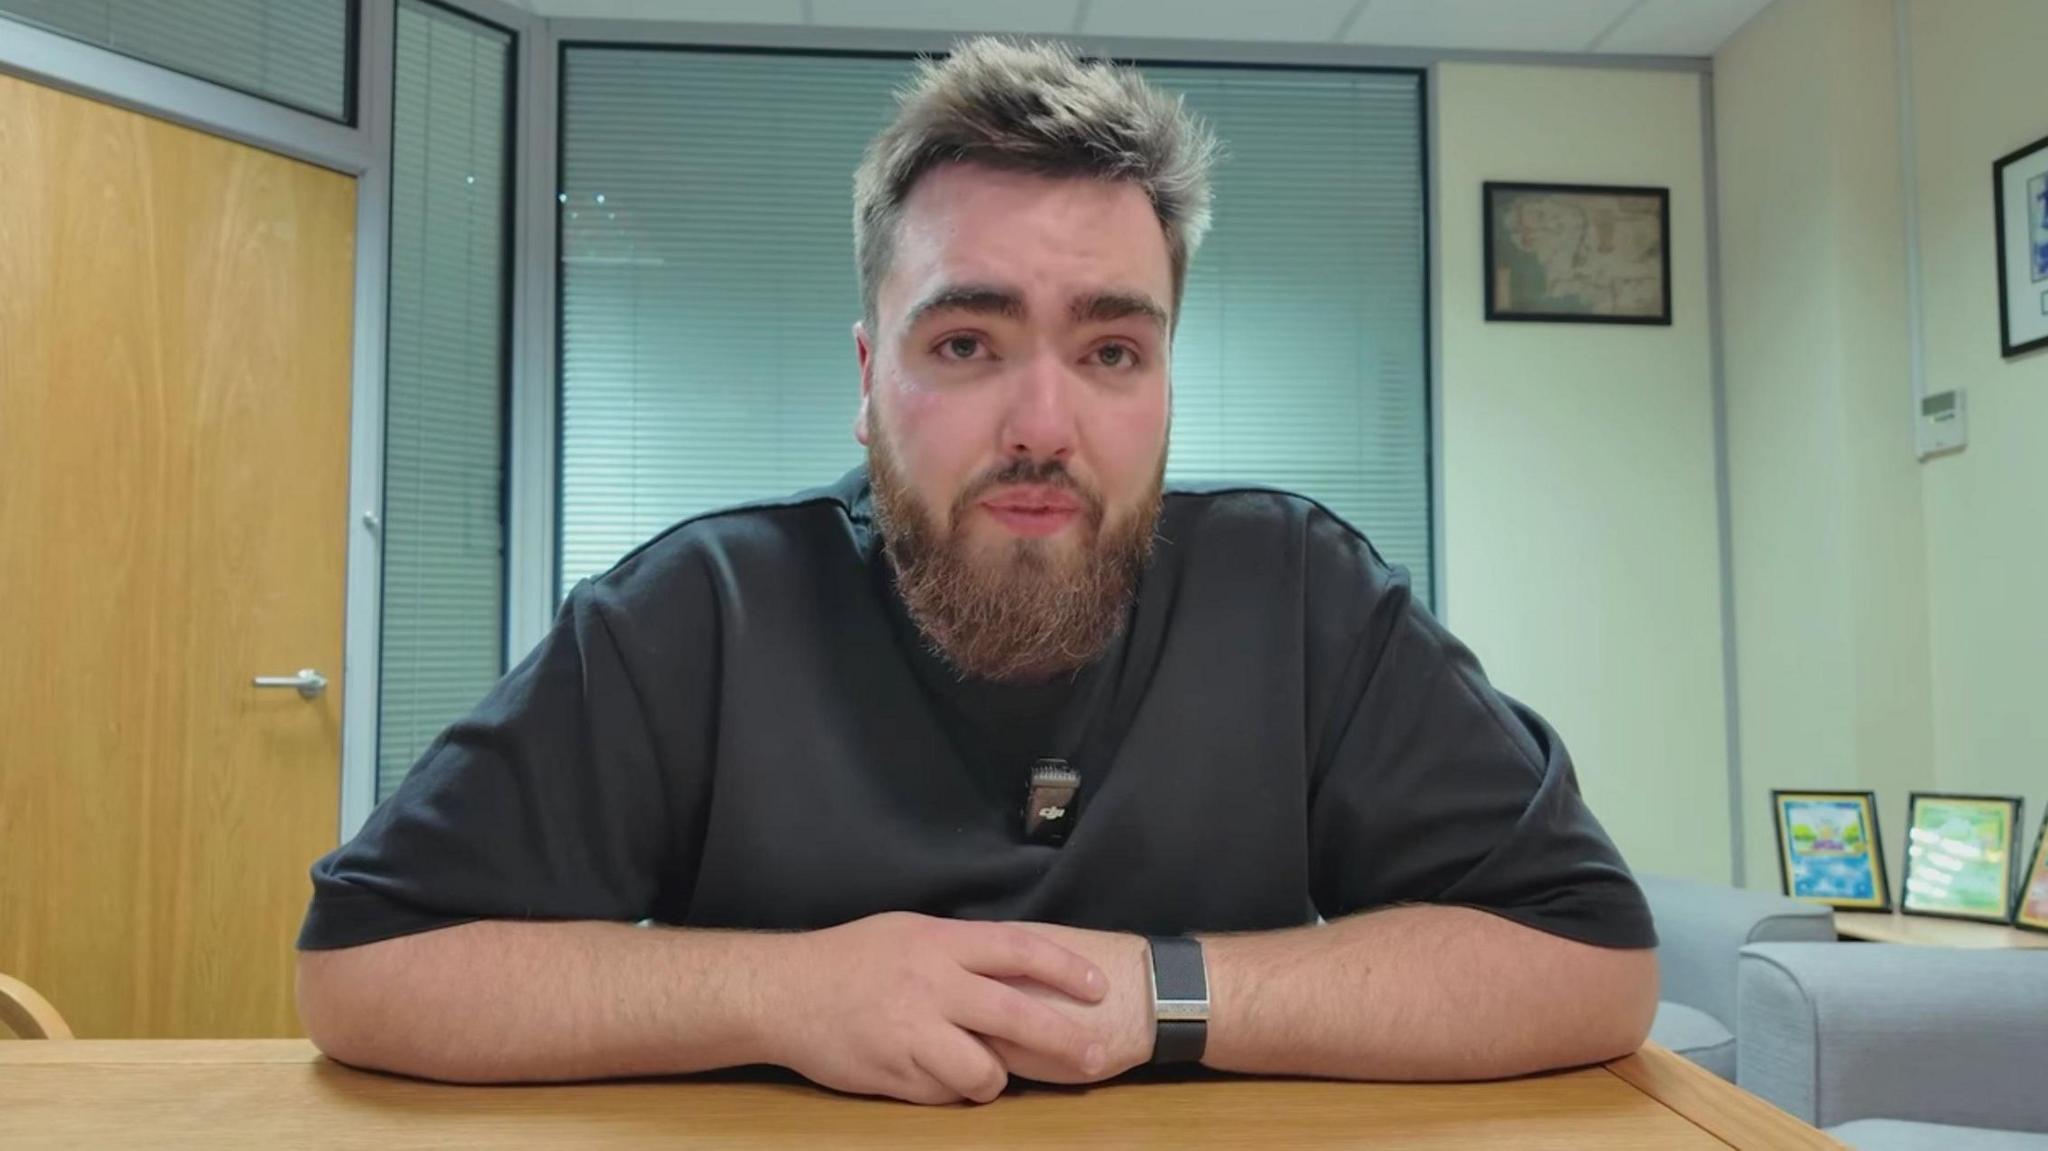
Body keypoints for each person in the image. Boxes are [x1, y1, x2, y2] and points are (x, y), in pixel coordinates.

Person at [296, 37, 1657, 1106]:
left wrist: (1156, 997)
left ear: (1167, 383)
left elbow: (1589, 961)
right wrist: (782, 995)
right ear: (866, 379)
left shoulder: (1299, 595)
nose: (1043, 427)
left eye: (1112, 352)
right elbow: (366, 972)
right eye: (966, 344)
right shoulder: (700, 610)